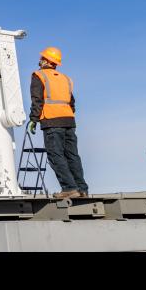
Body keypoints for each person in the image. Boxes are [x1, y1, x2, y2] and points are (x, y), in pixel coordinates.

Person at [28, 47, 89, 199]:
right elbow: (72, 103)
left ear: (47, 61)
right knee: (72, 155)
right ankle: (81, 189)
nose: (40, 60)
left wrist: (33, 119)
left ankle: (69, 188)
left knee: (56, 155)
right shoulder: (65, 79)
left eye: (42, 57)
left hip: (52, 121)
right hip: (69, 121)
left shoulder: (38, 75)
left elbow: (37, 100)